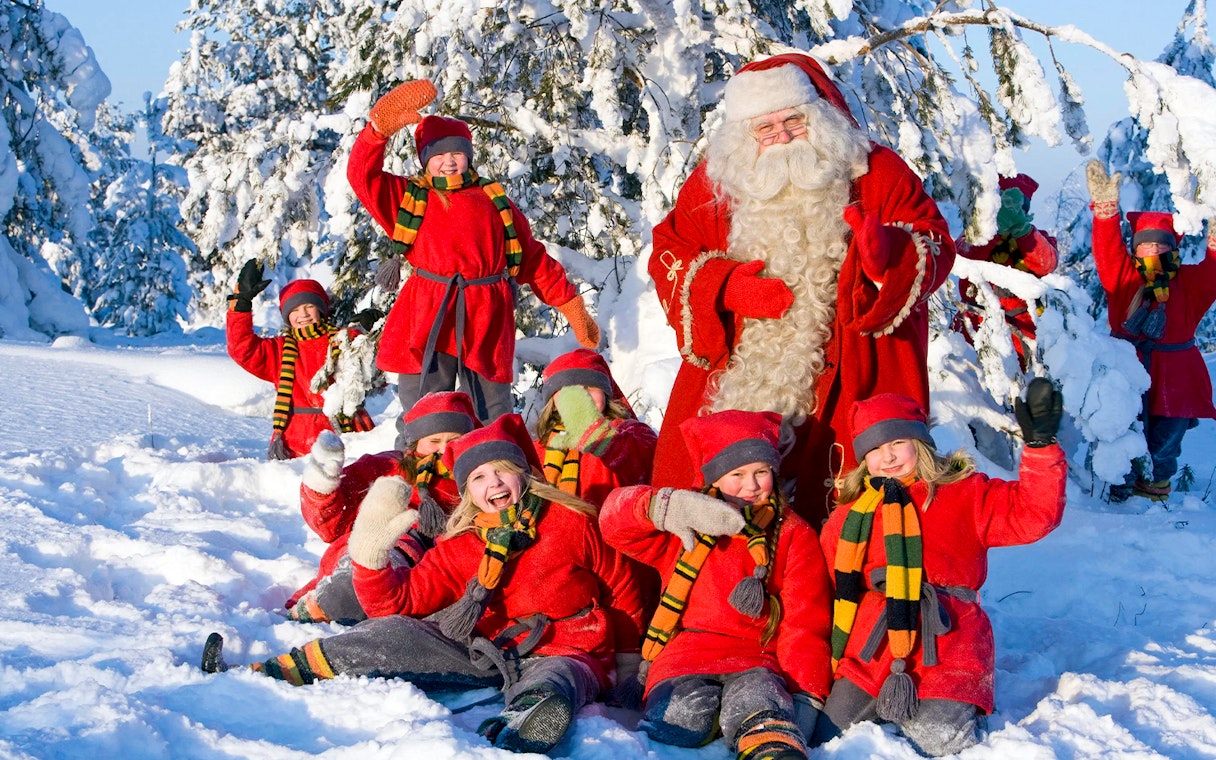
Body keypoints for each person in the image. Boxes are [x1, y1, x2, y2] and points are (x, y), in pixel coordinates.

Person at [201, 413, 645, 755]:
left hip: (565, 643)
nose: (493, 483)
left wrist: (626, 668)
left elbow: (621, 589)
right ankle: (267, 673)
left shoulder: (570, 522)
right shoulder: (461, 545)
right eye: (478, 477)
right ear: (467, 491)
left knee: (560, 677)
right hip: (481, 645)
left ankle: (527, 721)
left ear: (523, 473)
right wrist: (371, 554)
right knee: (389, 634)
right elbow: (400, 601)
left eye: (501, 471)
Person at [646, 53, 955, 526]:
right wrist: (725, 287)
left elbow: (933, 240)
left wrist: (886, 255)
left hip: (852, 376)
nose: (783, 136)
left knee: (851, 518)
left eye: (793, 120)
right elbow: (670, 252)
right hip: (737, 378)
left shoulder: (876, 171)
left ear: (820, 118)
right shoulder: (716, 185)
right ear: (742, 138)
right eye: (764, 129)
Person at [814, 384, 1066, 756]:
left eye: (897, 443)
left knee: (937, 737)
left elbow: (1033, 513)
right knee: (829, 734)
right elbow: (828, 584)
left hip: (949, 640)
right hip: (874, 645)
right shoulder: (850, 517)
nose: (888, 457)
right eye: (875, 449)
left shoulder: (966, 493)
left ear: (921, 443)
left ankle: (959, 712)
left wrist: (1041, 448)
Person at [347, 79, 600, 444]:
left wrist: (570, 304)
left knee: (492, 410)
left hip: (485, 316)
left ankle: (502, 475)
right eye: (438, 154)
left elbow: (531, 258)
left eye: (456, 153)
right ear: (424, 159)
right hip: (429, 314)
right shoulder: (407, 197)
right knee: (425, 409)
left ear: (468, 155)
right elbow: (362, 177)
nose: (449, 161)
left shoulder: (495, 201)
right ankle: (422, 483)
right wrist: (376, 132)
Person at [601, 410, 834, 760]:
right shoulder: (687, 522)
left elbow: (805, 622)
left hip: (755, 656)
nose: (751, 485)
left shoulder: (792, 533)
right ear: (714, 476)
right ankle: (705, 725)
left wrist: (805, 692)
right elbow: (613, 524)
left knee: (760, 704)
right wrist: (664, 507)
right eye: (736, 474)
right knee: (678, 720)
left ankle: (766, 743)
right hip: (683, 656)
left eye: (761, 472)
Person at [285, 391, 481, 624]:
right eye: (434, 442)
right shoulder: (388, 466)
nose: (444, 449)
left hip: (428, 571)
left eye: (454, 440)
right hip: (373, 544)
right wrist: (323, 484)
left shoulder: (476, 478)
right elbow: (331, 524)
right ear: (417, 442)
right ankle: (333, 596)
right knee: (380, 554)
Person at [1085, 160, 1216, 502]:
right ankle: (1119, 489)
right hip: (1128, 370)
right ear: (1135, 249)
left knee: (1166, 438)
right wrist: (1105, 212)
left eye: (1161, 245)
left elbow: (1215, 268)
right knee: (1125, 429)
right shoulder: (1124, 278)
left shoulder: (1188, 282)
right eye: (1146, 245)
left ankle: (1156, 490)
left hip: (1178, 375)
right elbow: (1106, 250)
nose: (1154, 250)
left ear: (1173, 248)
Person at [225, 259, 374, 460]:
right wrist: (241, 303)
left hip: (348, 432)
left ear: (320, 309)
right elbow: (242, 349)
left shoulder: (345, 339)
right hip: (297, 441)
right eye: (294, 310)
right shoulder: (278, 351)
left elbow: (376, 362)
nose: (302, 314)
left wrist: (374, 330)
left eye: (308, 307)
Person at [953, 173, 1059, 371]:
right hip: (973, 331)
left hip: (1022, 337)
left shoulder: (1037, 238)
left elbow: (1046, 263)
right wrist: (993, 230)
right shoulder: (974, 236)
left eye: (1019, 208)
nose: (1011, 212)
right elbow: (963, 259)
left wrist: (1022, 230)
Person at [533, 349, 657, 509]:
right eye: (569, 391)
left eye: (589, 388)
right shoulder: (539, 448)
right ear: (553, 404)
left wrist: (603, 438)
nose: (581, 397)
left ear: (604, 394)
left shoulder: (629, 431)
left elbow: (648, 465)